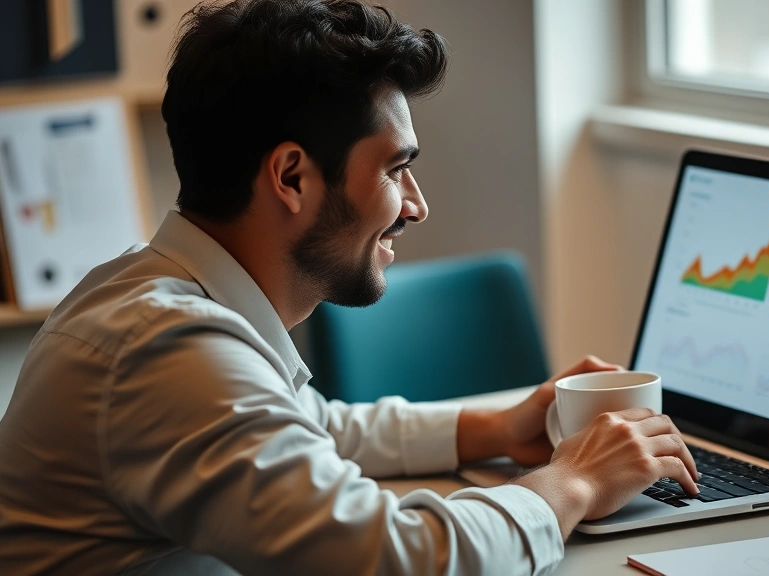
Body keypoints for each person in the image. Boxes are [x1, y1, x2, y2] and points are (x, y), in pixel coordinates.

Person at [0, 1, 699, 574]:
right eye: (395, 169)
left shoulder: (158, 294)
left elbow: (307, 427)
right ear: (292, 177)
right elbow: (395, 561)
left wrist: (494, 428)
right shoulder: (167, 351)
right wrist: (571, 482)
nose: (416, 205)